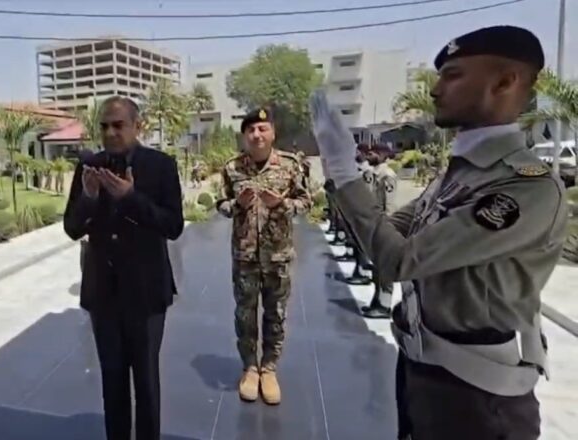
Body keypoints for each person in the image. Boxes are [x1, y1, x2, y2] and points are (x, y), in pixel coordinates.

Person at [311, 26, 567, 440]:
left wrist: (343, 173)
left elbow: (397, 259)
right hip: (425, 371)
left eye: (453, 75)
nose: (434, 89)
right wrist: (362, 204)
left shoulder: (524, 187)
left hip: (479, 396)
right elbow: (390, 235)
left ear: (504, 82)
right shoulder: (459, 174)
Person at [63, 96, 183, 440]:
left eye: (119, 125)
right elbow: (72, 228)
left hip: (146, 293)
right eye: (104, 126)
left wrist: (131, 197)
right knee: (112, 380)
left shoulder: (160, 165)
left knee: (145, 382)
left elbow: (173, 225)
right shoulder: (89, 166)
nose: (111, 132)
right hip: (103, 293)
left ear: (137, 126)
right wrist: (88, 198)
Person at [216, 107, 312, 405]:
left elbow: (306, 200)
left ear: (273, 132)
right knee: (245, 315)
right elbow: (221, 205)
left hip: (278, 256)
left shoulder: (291, 165)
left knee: (276, 315)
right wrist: (238, 204)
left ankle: (269, 368)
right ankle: (250, 368)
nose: (256, 135)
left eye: (262, 129)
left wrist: (283, 204)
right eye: (251, 130)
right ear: (244, 136)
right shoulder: (232, 168)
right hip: (244, 256)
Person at [360, 151, 398, 319]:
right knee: (377, 268)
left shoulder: (387, 175)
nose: (370, 156)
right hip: (375, 224)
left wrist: (387, 227)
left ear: (383, 154)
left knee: (385, 268)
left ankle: (385, 305)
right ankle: (377, 300)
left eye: (373, 153)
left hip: (384, 225)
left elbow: (389, 204)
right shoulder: (376, 173)